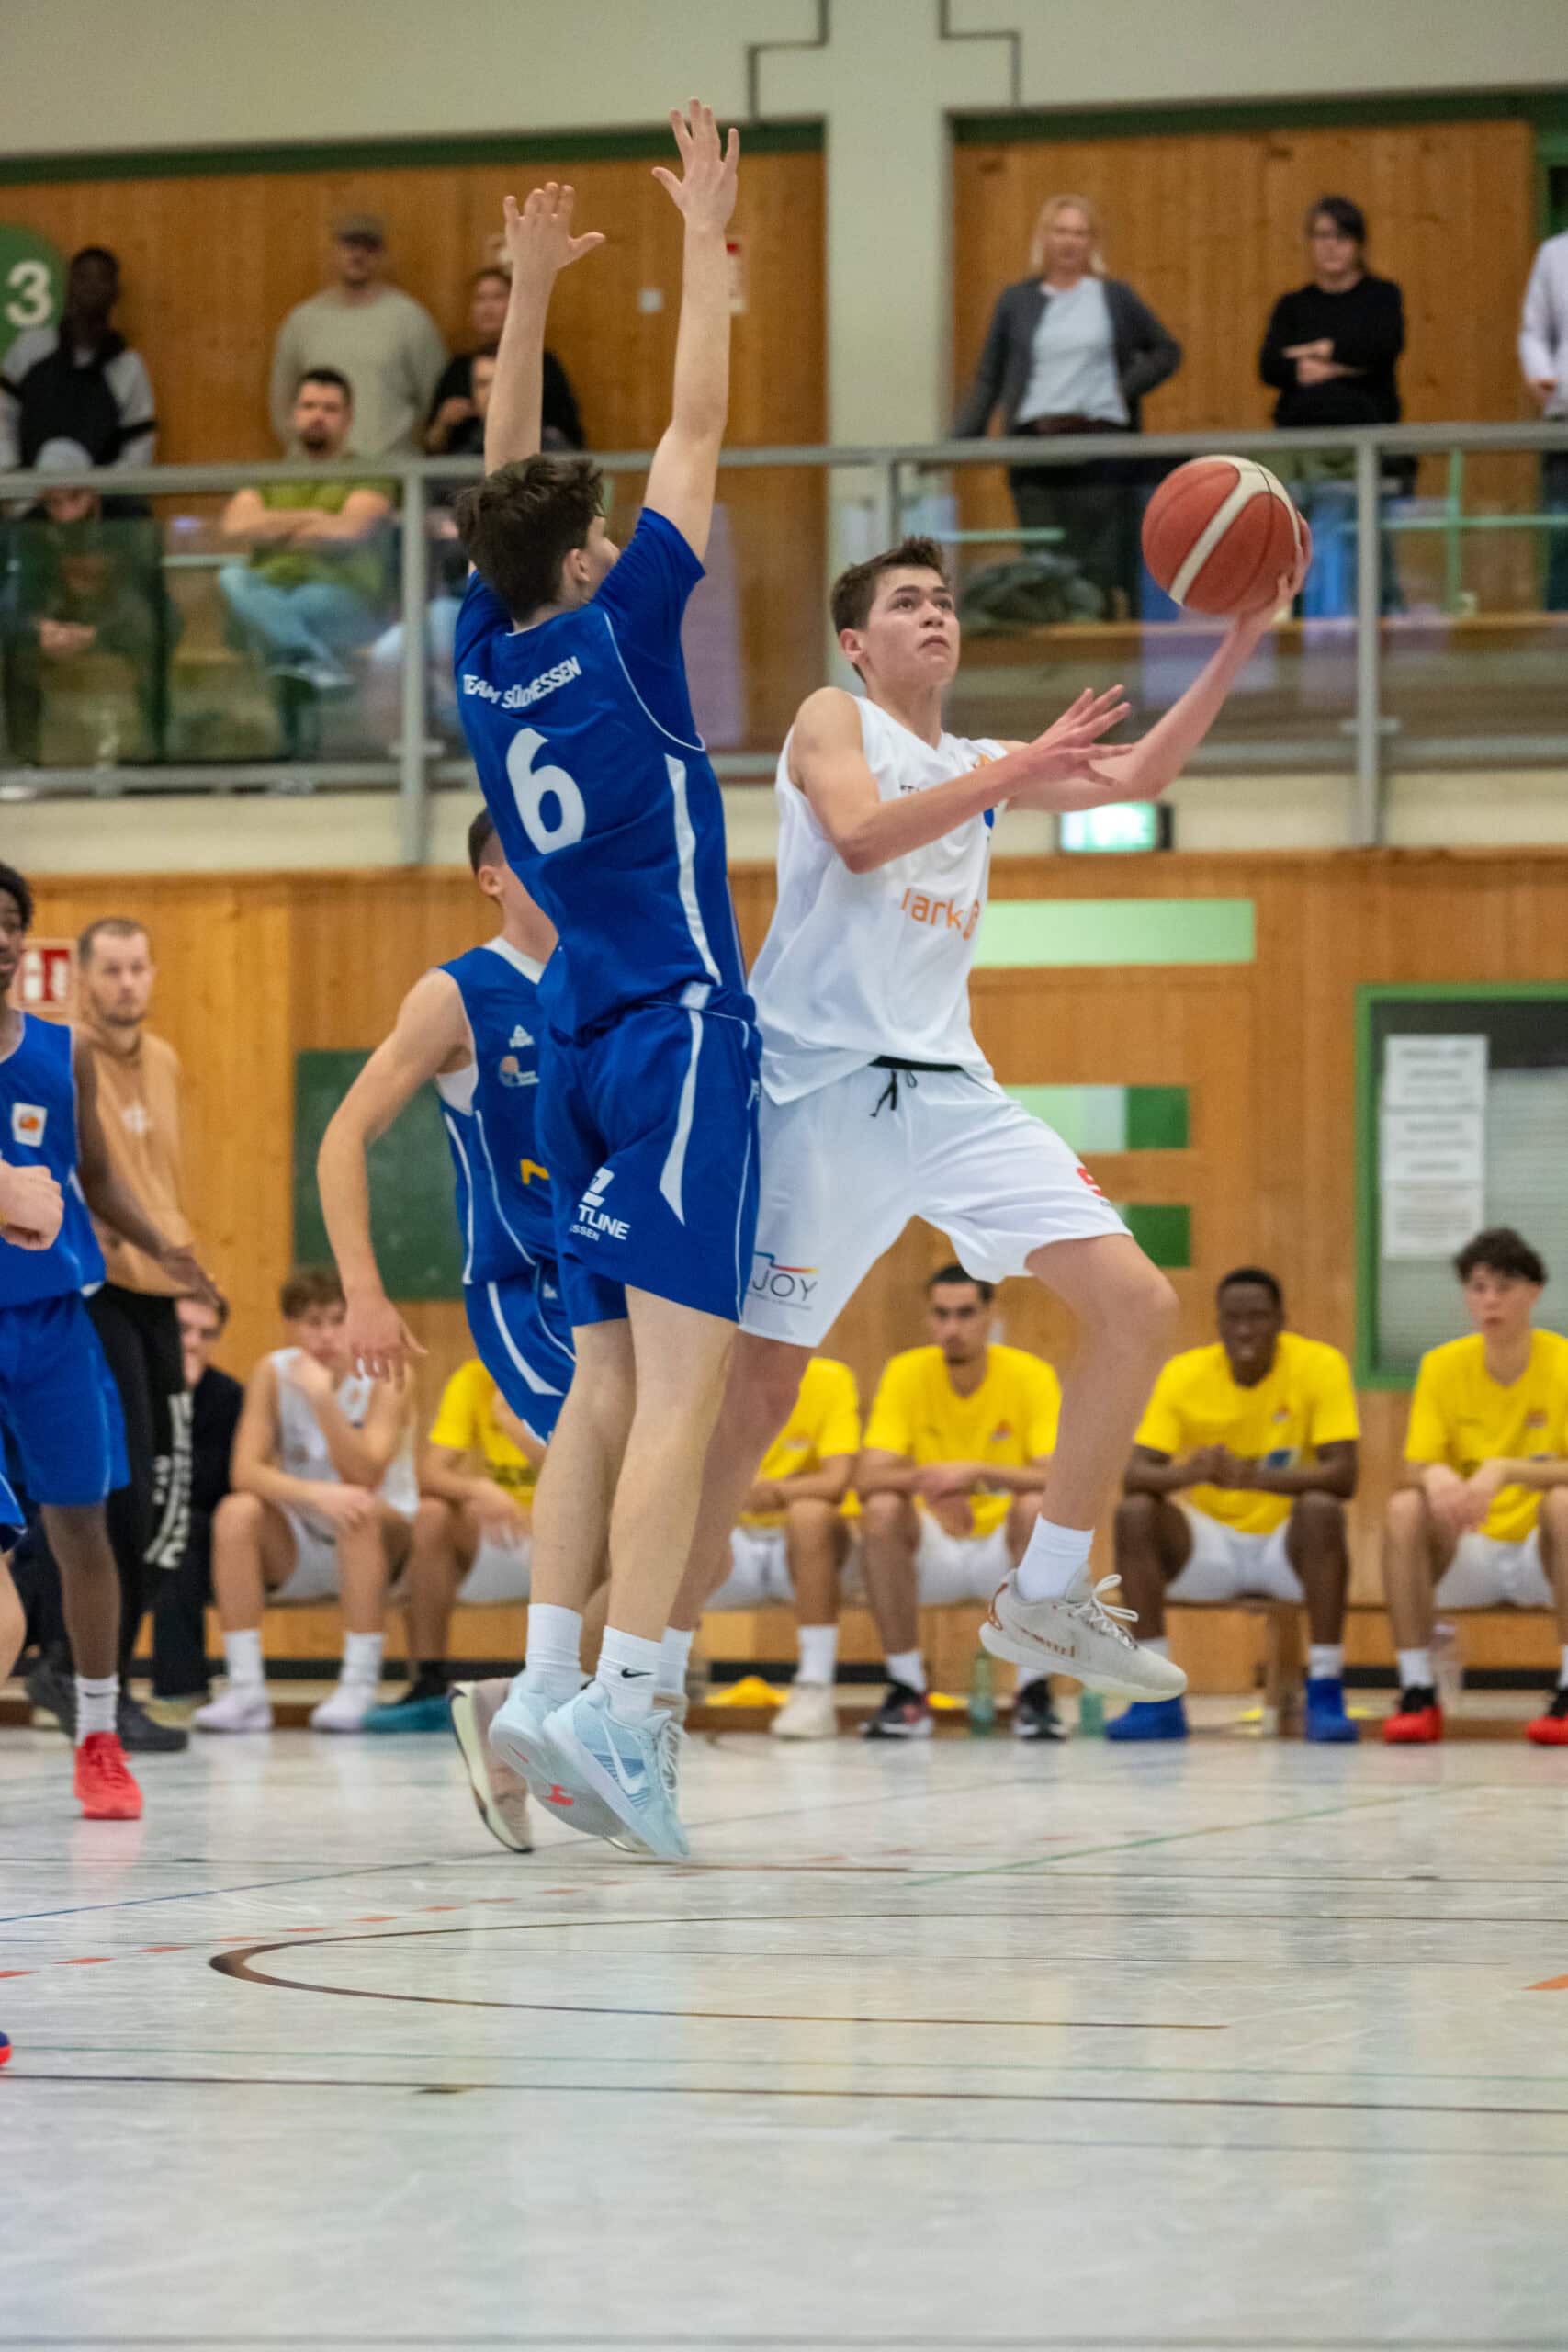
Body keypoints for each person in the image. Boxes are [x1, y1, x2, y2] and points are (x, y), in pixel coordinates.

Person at [662, 518, 1310, 1725]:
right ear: (857, 643)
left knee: (1135, 1303)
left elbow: (1138, 778)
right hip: (818, 1088)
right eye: (906, 602)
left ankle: (1047, 1592)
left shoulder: (977, 756)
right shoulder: (829, 718)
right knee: (753, 1401)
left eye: (944, 600)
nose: (934, 614)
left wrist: (1237, 635)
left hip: (950, 1088)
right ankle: (633, 1679)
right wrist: (1017, 772)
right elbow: (857, 839)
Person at [442, 111, 760, 1863]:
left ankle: (549, 1678)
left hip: (568, 1040)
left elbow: (507, 485)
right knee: (688, 1388)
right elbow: (693, 425)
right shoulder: (619, 627)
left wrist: (529, 312)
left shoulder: (487, 661)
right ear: (587, 566)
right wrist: (705, 243)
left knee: (604, 1382)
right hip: (682, 1033)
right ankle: (631, 1708)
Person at [0, 860, 218, 1817]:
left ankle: (97, 1733)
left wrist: (170, 1249)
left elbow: (94, 1172)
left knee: (84, 1522)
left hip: (55, 1319)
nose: (0, 936)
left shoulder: (60, 1053)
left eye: (11, 921)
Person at [1108, 1266, 1360, 1744]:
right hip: (1210, 1547)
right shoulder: (1184, 1373)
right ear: (1218, 1323)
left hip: (1286, 1548)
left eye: (1259, 1317)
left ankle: (1326, 1687)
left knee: (1323, 1510)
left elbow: (1345, 1475)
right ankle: (1156, 1694)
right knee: (1135, 1513)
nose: (1246, 1329)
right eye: (1234, 1318)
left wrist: (1256, 1478)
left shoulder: (1320, 1365)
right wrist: (1193, 1472)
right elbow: (1134, 1474)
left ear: (1282, 1320)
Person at [192, 1267, 416, 1735]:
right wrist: (316, 1494)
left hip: (384, 1535)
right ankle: (246, 1690)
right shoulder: (273, 1372)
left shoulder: (389, 1372)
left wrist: (321, 1399)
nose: (327, 1335)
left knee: (357, 1508)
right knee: (236, 1512)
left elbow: (366, 1474)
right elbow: (244, 1471)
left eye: (339, 1320)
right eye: (313, 1322)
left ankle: (359, 1684)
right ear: (292, 1325)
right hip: (306, 1533)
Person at [854, 1265, 1064, 1741]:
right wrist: (938, 1487)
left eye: (966, 1314)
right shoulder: (905, 1372)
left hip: (1006, 1552)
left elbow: (1058, 1476)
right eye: (941, 1314)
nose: (952, 1328)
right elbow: (868, 1476)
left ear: (990, 1315)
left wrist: (974, 1474)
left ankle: (1035, 1692)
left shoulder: (1031, 1374)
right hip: (934, 1550)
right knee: (883, 1509)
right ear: (928, 1318)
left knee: (1036, 1507)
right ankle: (906, 1688)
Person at [1382, 1227, 1568, 1748]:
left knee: (1564, 1503)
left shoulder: (1563, 1362)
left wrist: (1505, 1469)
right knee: (1403, 1508)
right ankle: (1417, 1689)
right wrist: (1435, 1473)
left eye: (1504, 1287)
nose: (1490, 1300)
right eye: (1479, 1287)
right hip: (1469, 1549)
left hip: (1543, 1558)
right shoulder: (1442, 1365)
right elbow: (1417, 1460)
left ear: (1534, 1292)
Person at [954, 192, 1181, 619]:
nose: (1069, 242)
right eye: (1061, 231)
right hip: (1036, 449)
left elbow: (1165, 351)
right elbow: (990, 376)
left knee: (1100, 564)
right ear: (1045, 238)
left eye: (1079, 233)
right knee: (1045, 565)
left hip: (1102, 449)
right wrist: (958, 442)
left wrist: (1120, 388)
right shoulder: (1017, 300)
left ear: (1092, 241)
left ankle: (1104, 662)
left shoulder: (1114, 297)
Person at [367, 1357, 544, 1736]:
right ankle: (429, 1682)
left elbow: (594, 1477)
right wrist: (478, 1489)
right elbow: (429, 1473)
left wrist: (515, 1426)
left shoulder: (574, 1365)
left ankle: (574, 1684)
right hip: (508, 1536)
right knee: (431, 1515)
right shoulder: (475, 1377)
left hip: (578, 1536)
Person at [1259, 196, 1406, 618]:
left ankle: (1363, 619)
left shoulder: (1380, 296)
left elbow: (1380, 346)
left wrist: (1319, 350)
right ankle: (1300, 619)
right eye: (1322, 236)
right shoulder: (1293, 305)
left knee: (1348, 529)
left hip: (1362, 442)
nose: (1331, 246)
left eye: (1341, 237)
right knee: (1295, 536)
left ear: (1358, 243)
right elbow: (1271, 364)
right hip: (1300, 443)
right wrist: (1343, 362)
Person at [219, 368, 394, 721]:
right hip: (269, 589)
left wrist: (273, 525)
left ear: (348, 418)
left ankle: (293, 762)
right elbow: (235, 526)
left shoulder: (373, 471)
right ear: (292, 415)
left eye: (330, 409)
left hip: (346, 599)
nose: (317, 416)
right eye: (309, 406)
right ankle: (313, 660)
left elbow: (349, 530)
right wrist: (315, 518)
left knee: (277, 619)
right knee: (231, 576)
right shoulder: (269, 474)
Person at [705, 1352, 860, 1744]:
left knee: (810, 1517)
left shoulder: (829, 1377)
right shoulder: (713, 1373)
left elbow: (836, 1481)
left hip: (799, 1547)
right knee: (676, 1520)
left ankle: (814, 1684)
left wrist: (772, 1491)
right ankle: (663, 1681)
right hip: (731, 1539)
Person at [2, 436, 176, 763]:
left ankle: (156, 752)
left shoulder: (129, 515)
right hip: (59, 615)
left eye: (74, 498)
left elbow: (146, 588)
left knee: (152, 627)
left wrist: (100, 632)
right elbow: (25, 595)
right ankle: (23, 759)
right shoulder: (31, 526)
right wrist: (41, 629)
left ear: (92, 489)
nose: (67, 513)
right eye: (54, 502)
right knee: (17, 645)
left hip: (117, 614)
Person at [268, 212, 446, 461]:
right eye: (350, 245)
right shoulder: (303, 320)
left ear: (382, 254)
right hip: (316, 472)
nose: (358, 255)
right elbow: (282, 402)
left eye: (369, 247)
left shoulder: (411, 319)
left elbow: (433, 402)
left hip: (390, 470)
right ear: (334, 251)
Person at [148, 1293, 244, 1703]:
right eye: (183, 1329)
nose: (192, 1343)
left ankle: (180, 1689)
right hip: (130, 1518)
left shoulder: (226, 1396)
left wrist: (183, 1399)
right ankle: (63, 1674)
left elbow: (215, 1484)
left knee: (183, 1534)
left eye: (206, 1334)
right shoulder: (134, 1385)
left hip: (198, 1530)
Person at [0, 246, 156, 479]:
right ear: (68, 286)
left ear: (115, 292)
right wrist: (10, 480)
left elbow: (139, 446)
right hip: (28, 501)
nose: (91, 287)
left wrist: (95, 496)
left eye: (101, 279)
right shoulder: (30, 347)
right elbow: (3, 413)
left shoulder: (128, 367)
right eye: (83, 278)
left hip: (101, 507)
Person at [426, 266, 582, 454]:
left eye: (497, 297)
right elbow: (432, 446)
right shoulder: (458, 369)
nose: (488, 307)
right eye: (480, 299)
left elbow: (570, 438)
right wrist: (444, 422)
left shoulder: (542, 365)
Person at [1518, 223, 1568, 612]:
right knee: (1562, 536)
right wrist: (1541, 373)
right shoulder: (1555, 253)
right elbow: (1534, 330)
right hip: (1563, 421)